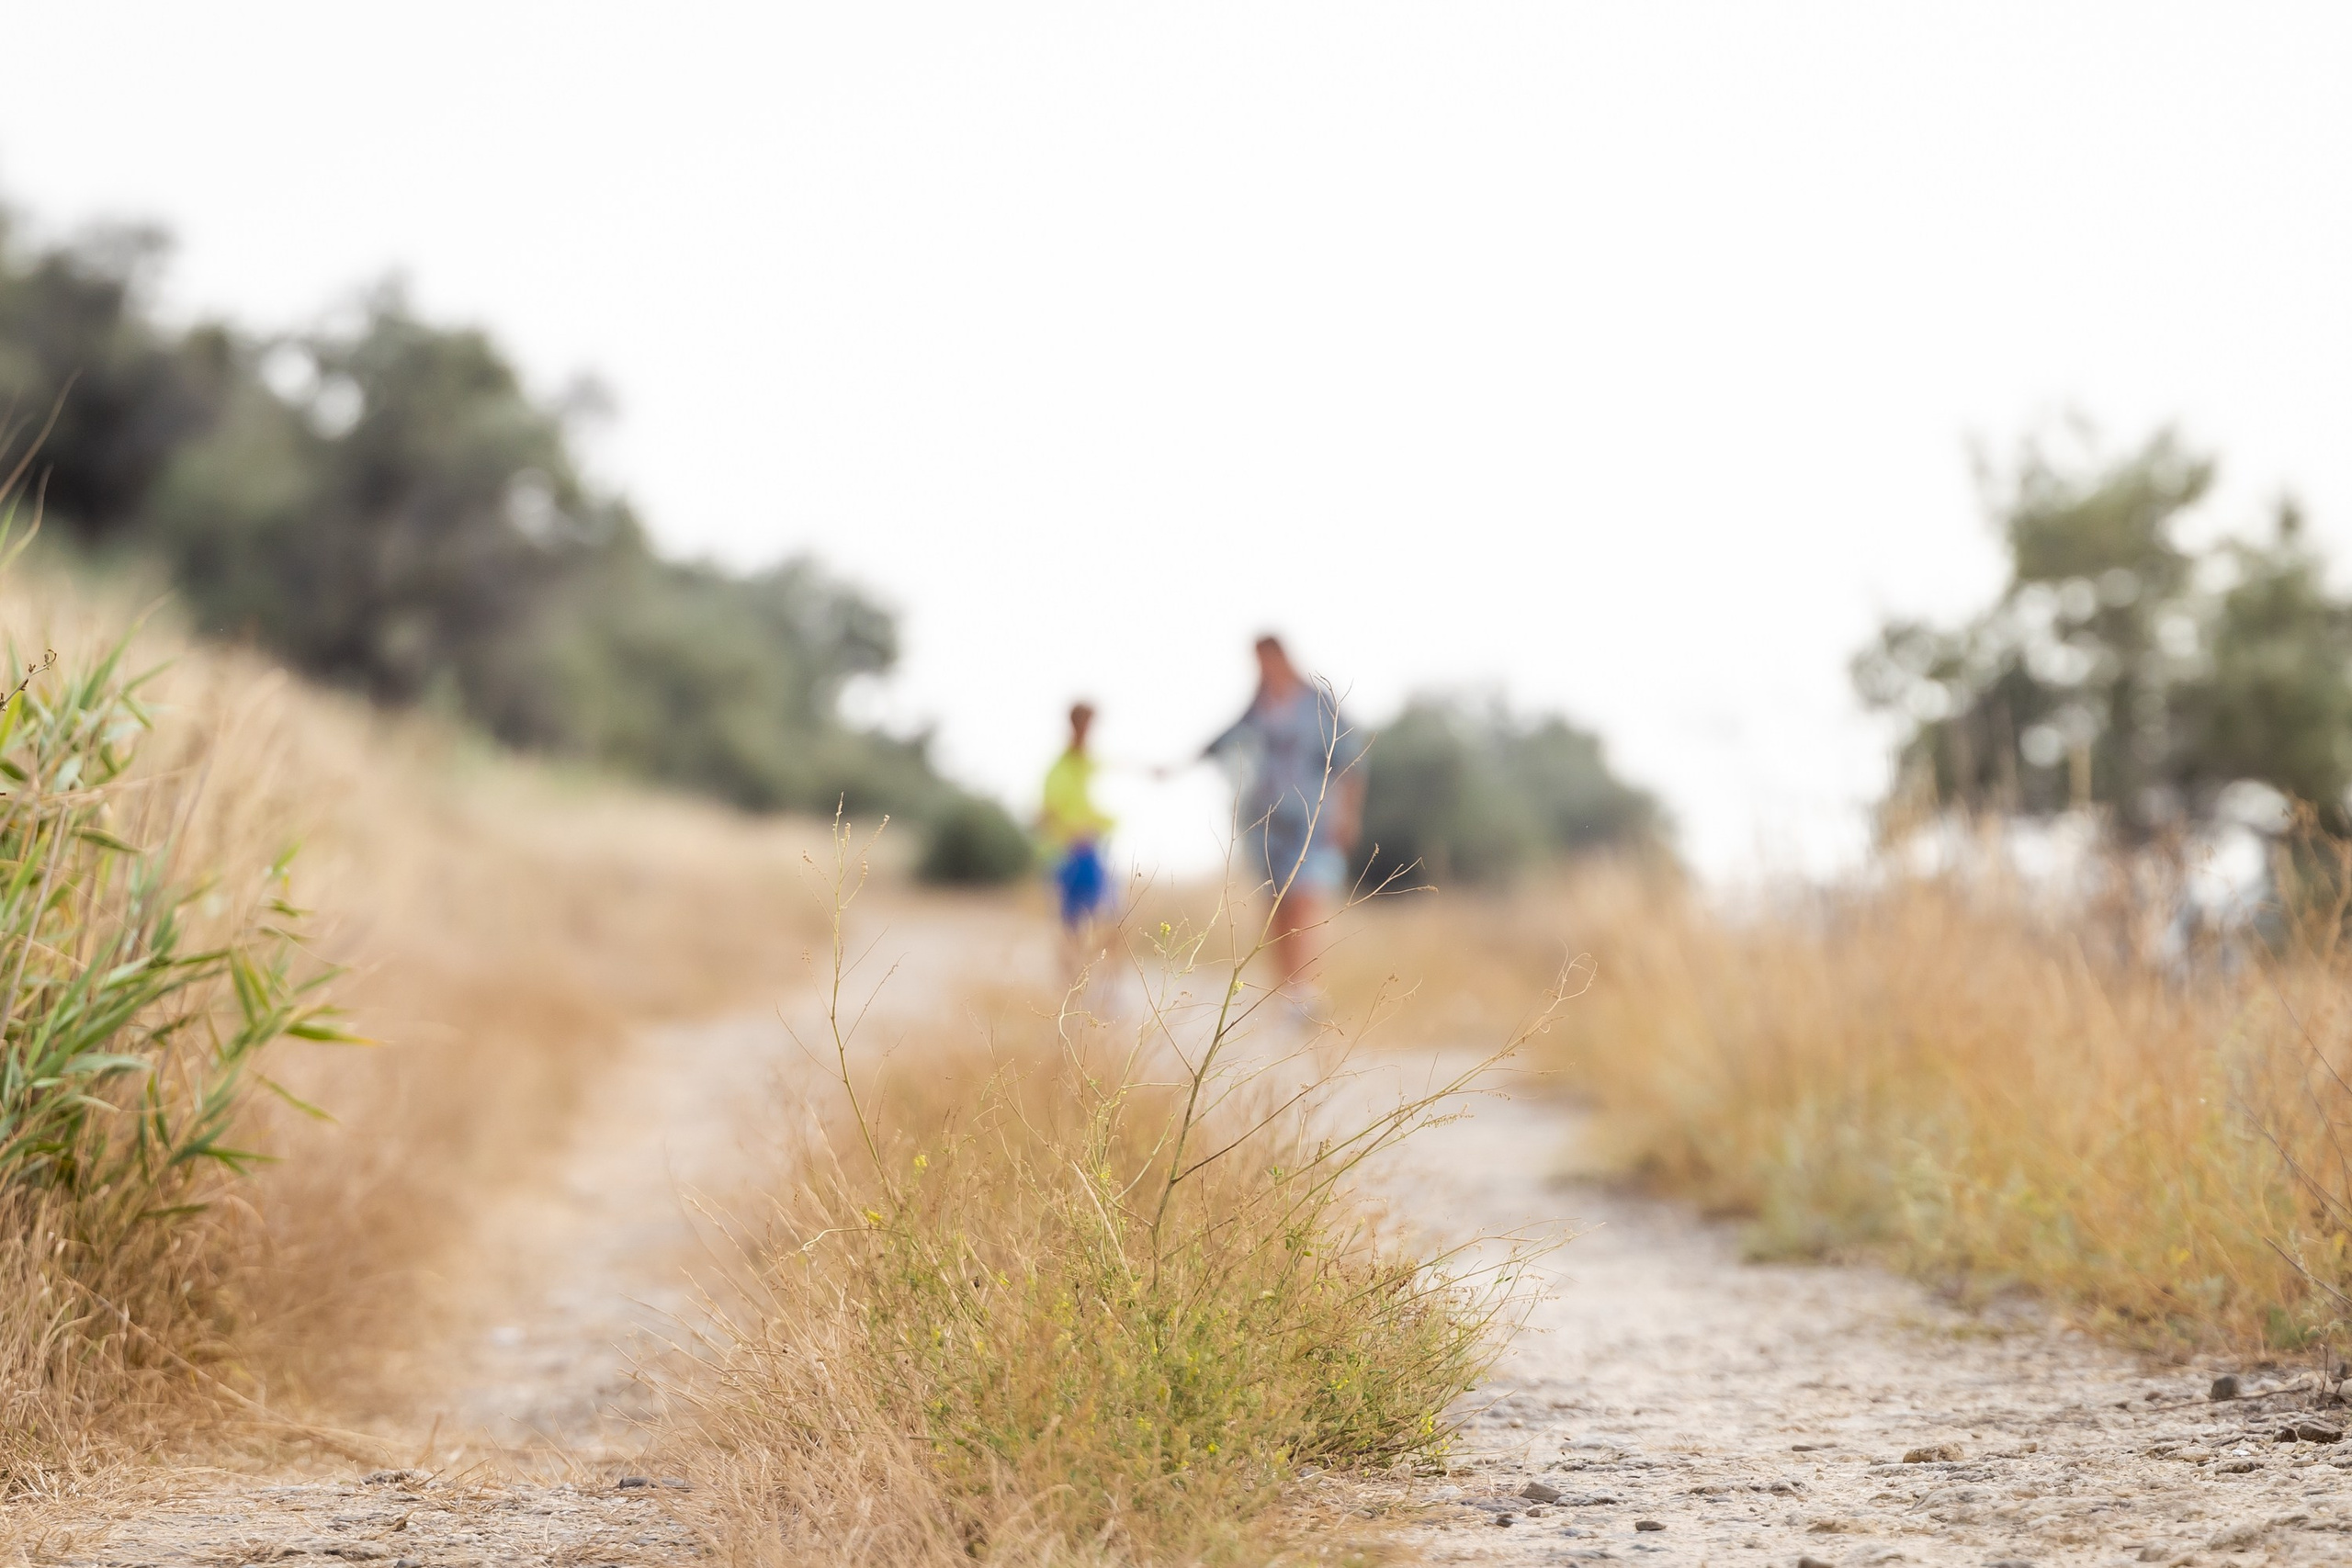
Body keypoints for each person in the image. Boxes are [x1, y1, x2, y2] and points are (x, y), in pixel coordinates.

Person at [1201, 635, 1366, 990]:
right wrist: (1182, 763)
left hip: (1312, 820)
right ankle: (1284, 991)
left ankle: (1304, 989)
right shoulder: (1258, 704)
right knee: (1276, 908)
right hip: (1267, 822)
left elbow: (1350, 759)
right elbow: (1224, 738)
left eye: (1264, 659)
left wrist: (1348, 814)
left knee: (1305, 900)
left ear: (1280, 656)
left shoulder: (1318, 702)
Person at [1038, 702, 1115, 950]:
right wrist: (1072, 832)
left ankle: (1090, 970)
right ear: (1076, 725)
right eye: (1087, 725)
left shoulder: (1089, 763)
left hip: (1093, 847)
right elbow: (1046, 814)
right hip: (1069, 853)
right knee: (1073, 922)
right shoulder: (1059, 769)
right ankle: (1074, 972)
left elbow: (1121, 765)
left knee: (1105, 916)